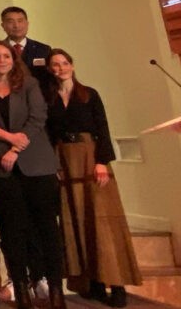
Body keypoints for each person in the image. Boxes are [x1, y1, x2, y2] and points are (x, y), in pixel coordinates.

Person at [0, 41, 65, 309]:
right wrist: (7, 137)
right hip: (1, 170)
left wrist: (15, 147)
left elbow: (38, 117)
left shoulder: (29, 85)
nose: (1, 60)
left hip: (35, 164)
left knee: (47, 229)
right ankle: (22, 290)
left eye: (6, 56)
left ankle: (56, 290)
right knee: (12, 231)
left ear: (13, 59)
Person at [46, 50, 141, 307]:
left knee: (103, 223)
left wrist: (102, 161)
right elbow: (49, 134)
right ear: (50, 69)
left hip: (91, 159)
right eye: (55, 65)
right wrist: (54, 163)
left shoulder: (89, 94)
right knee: (76, 221)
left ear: (72, 65)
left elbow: (102, 128)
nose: (60, 68)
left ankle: (117, 284)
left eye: (64, 63)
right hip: (65, 161)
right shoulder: (50, 98)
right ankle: (94, 282)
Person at [0, 7, 54, 94]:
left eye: (20, 21)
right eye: (10, 22)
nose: (16, 25)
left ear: (27, 24)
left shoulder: (43, 49)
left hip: (39, 98)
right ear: (3, 26)